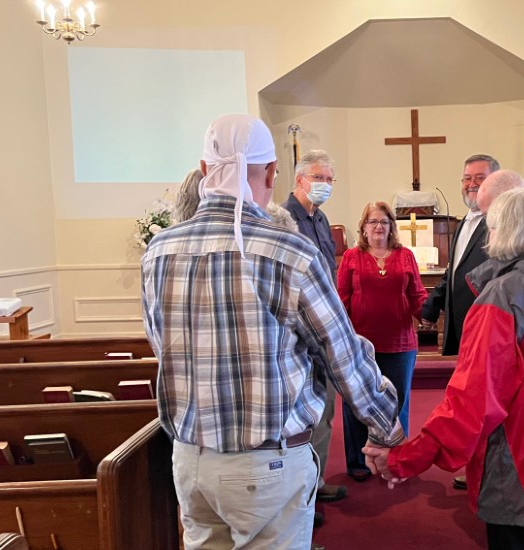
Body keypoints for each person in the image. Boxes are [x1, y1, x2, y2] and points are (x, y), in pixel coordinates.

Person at [141, 114, 403, 550]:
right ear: (270, 173)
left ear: (205, 170)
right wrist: (385, 429)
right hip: (264, 464)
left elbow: (161, 346)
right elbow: (340, 353)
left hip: (191, 460)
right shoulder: (289, 250)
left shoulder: (159, 250)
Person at [363, 188, 524, 550]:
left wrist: (405, 457)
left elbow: (473, 402)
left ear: (505, 232)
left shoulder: (505, 296)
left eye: (491, 228)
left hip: (523, 474)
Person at [337, 201, 427, 481]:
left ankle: (397, 461)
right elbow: (341, 299)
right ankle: (359, 462)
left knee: (398, 404)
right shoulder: (351, 257)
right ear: (363, 228)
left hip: (400, 343)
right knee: (356, 404)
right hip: (360, 345)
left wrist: (432, 312)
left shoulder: (405, 256)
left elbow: (417, 294)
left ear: (391, 227)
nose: (378, 226)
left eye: (384, 222)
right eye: (372, 221)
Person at [281, 149, 348, 505]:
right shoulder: (282, 218)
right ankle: (299, 489)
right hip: (298, 332)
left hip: (324, 327)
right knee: (301, 412)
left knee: (326, 409)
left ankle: (316, 481)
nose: (325, 185)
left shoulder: (321, 219)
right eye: (318, 178)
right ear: (300, 180)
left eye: (329, 179)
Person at [420, 154, 499, 356]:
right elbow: (454, 272)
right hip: (456, 328)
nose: (471, 184)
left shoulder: (501, 224)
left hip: (485, 328)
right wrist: (431, 306)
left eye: (480, 178)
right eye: (467, 178)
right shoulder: (462, 223)